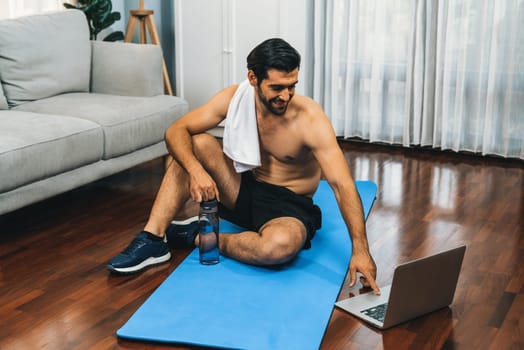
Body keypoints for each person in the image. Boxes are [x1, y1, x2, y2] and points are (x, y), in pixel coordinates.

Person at [107, 38, 380, 294]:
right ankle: (153, 239)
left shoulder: (310, 119)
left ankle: (198, 234)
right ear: (253, 78)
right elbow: (176, 131)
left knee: (278, 248)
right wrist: (196, 171)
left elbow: (342, 186)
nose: (285, 96)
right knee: (196, 143)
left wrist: (360, 249)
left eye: (292, 86)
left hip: (289, 206)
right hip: (245, 188)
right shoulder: (235, 98)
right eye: (276, 88)